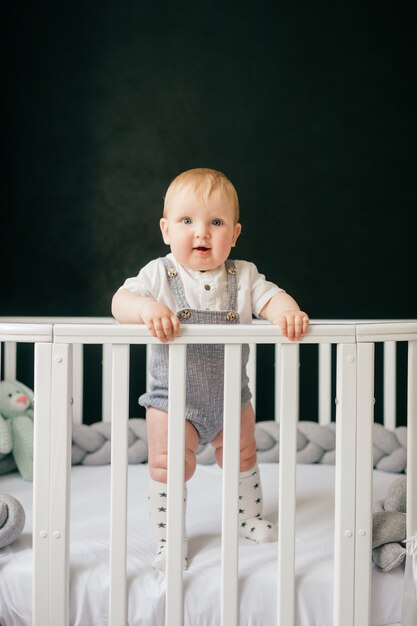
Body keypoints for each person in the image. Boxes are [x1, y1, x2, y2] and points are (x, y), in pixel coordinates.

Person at [111, 167, 309, 569]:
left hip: (231, 398)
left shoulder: (245, 276)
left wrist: (287, 313)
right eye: (187, 221)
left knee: (244, 454)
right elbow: (120, 301)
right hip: (172, 402)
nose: (201, 233)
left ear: (234, 234)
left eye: (216, 222)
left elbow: (272, 298)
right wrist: (147, 309)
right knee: (169, 464)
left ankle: (249, 517)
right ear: (166, 230)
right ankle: (170, 539)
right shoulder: (159, 274)